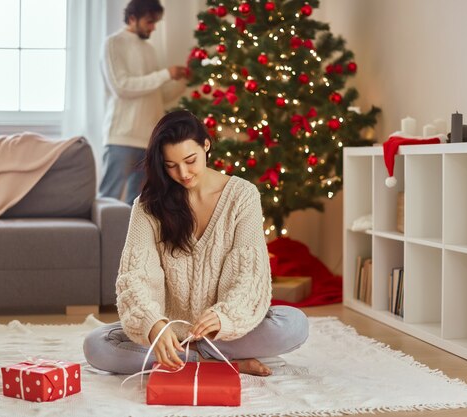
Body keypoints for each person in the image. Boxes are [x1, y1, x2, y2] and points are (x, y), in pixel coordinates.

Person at [84, 110, 309, 376]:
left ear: (206, 145)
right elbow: (134, 277)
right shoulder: (147, 206)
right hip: (170, 333)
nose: (183, 173)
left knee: (295, 324)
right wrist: (154, 323)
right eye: (171, 165)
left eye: (190, 160)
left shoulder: (242, 196)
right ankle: (217, 363)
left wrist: (224, 316)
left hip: (223, 334)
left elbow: (250, 277)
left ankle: (191, 358)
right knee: (97, 345)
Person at [99, 0, 187, 205]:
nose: (153, 27)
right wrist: (165, 74)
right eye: (149, 22)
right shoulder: (114, 43)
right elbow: (121, 87)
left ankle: (133, 240)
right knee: (108, 200)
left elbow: (159, 95)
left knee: (138, 206)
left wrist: (182, 80)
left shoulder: (149, 49)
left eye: (155, 22)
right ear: (132, 18)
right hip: (122, 138)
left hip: (149, 141)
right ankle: (103, 239)